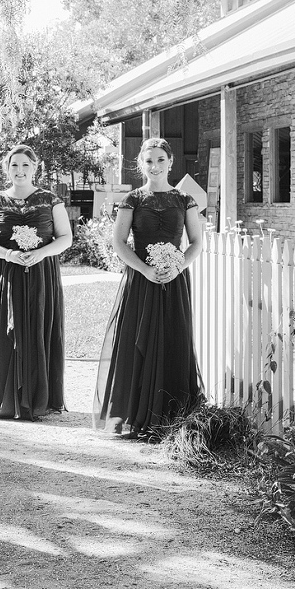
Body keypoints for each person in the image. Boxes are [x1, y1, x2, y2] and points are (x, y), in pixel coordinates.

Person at [94, 138, 205, 437]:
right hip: (140, 280)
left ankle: (172, 415)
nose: (154, 166)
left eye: (160, 160)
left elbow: (196, 243)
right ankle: (134, 413)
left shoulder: (184, 200)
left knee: (173, 339)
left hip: (174, 281)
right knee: (136, 339)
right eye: (148, 161)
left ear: (170, 162)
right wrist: (144, 269)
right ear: (140, 165)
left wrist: (177, 266)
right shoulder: (133, 199)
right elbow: (119, 242)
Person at [0, 144, 73, 420]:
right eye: (14, 165)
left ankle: (36, 396)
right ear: (6, 169)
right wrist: (9, 254)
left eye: (25, 165)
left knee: (36, 328)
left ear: (35, 168)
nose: (19, 171)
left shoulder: (50, 200)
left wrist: (40, 253)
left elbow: (65, 238)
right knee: (3, 332)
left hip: (40, 274)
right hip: (4, 275)